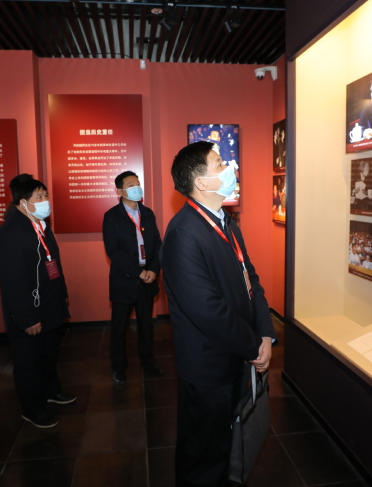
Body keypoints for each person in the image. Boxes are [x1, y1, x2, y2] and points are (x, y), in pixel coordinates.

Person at [161, 141, 275, 486]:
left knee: (228, 444)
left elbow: (250, 279)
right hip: (209, 366)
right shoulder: (183, 233)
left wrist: (265, 332)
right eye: (220, 164)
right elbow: (207, 310)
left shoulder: (226, 222)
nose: (230, 168)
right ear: (201, 182)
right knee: (204, 454)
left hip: (237, 354)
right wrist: (253, 346)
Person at [0, 174, 75, 429]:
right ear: (22, 202)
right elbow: (12, 283)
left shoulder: (41, 225)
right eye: (39, 197)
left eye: (45, 195)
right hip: (29, 312)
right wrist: (27, 318)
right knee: (28, 363)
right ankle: (32, 409)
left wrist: (62, 295)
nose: (45, 201)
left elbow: (54, 265)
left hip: (50, 304)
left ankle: (51, 391)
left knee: (48, 355)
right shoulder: (9, 233)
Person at [102, 170, 163, 383]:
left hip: (148, 278)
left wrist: (153, 270)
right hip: (125, 279)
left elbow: (157, 245)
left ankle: (148, 361)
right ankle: (119, 367)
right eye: (131, 184)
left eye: (137, 183)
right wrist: (138, 271)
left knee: (146, 325)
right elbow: (113, 251)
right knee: (120, 327)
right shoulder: (112, 216)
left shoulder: (148, 213)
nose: (137, 187)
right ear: (119, 191)